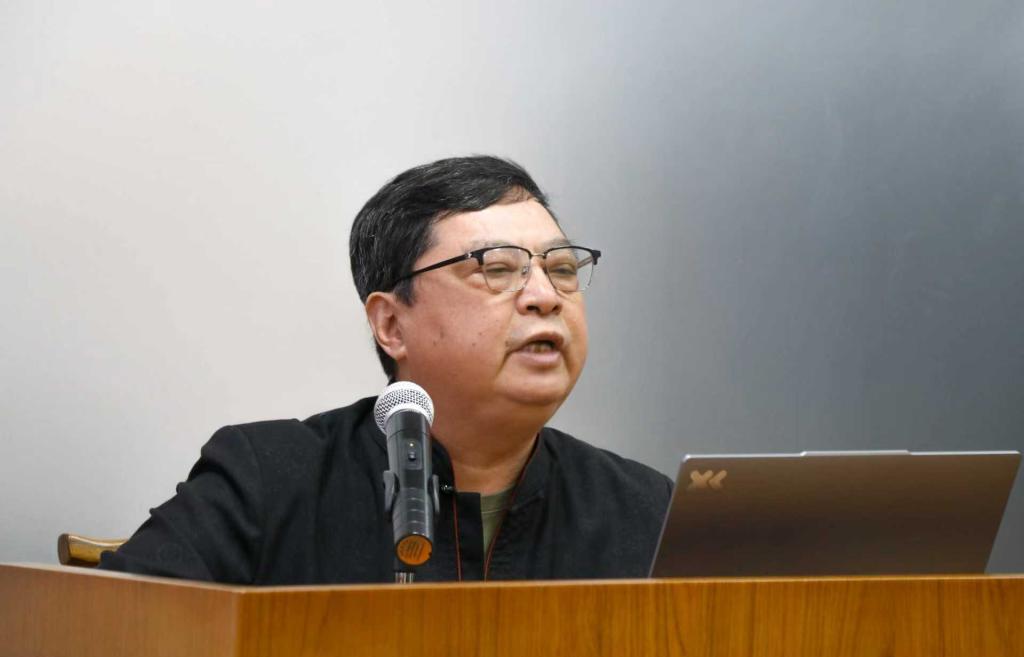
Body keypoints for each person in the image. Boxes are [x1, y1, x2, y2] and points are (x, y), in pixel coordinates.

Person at [99, 156, 672, 583]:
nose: (545, 296)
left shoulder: (648, 510)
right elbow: (117, 634)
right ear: (392, 324)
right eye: (497, 269)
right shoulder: (267, 481)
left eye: (563, 269)